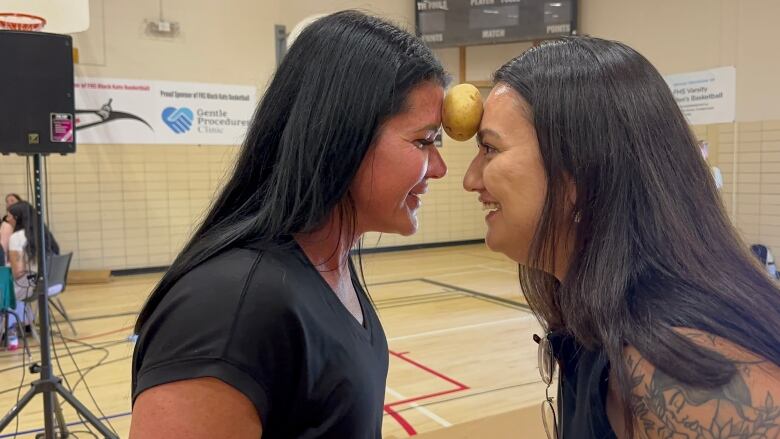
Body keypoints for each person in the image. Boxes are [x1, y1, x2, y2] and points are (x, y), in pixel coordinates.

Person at [129, 10, 447, 439]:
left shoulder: (329, 265)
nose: (441, 168)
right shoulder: (228, 309)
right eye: (424, 142)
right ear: (343, 136)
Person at [463, 36, 780, 439]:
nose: (470, 179)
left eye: (489, 149)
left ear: (577, 172)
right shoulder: (591, 315)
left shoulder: (671, 365)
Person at [4, 200, 60, 350]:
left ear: (18, 218)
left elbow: (18, 273)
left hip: (32, 286)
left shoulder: (16, 238)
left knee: (6, 291)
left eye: (9, 216)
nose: (6, 219)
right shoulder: (44, 232)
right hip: (53, 283)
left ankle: (11, 332)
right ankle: (25, 324)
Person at [1, 193, 22, 264]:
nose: (9, 203)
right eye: (7, 201)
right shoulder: (5, 225)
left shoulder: (26, 221)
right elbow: (3, 247)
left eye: (12, 200)